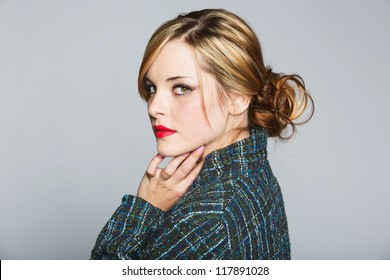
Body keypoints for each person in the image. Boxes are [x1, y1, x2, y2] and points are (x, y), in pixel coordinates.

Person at [90, 8, 313, 260]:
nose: (153, 107)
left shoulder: (207, 220)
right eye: (151, 87)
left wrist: (144, 209)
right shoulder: (253, 172)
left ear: (238, 98)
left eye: (182, 88)